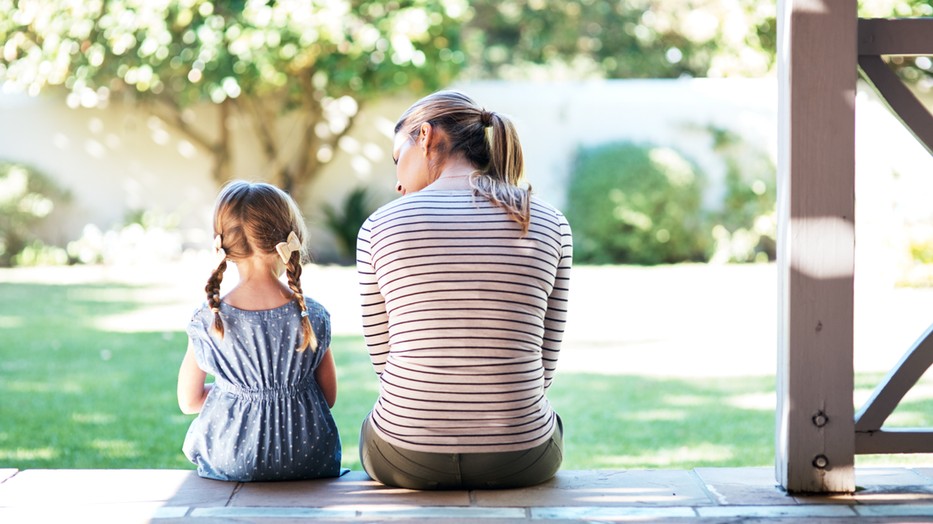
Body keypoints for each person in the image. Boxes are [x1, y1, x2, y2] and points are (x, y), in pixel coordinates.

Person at [356, 90, 573, 490]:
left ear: (424, 136)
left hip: (405, 456)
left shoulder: (379, 227)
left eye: (396, 158)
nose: (397, 181)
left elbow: (385, 363)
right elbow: (544, 364)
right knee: (549, 421)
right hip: (521, 456)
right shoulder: (548, 221)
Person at [177, 180, 343, 482]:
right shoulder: (313, 315)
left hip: (233, 458)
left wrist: (237, 392)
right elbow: (328, 396)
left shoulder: (209, 319)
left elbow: (189, 401)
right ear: (289, 239)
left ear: (223, 245)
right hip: (309, 457)